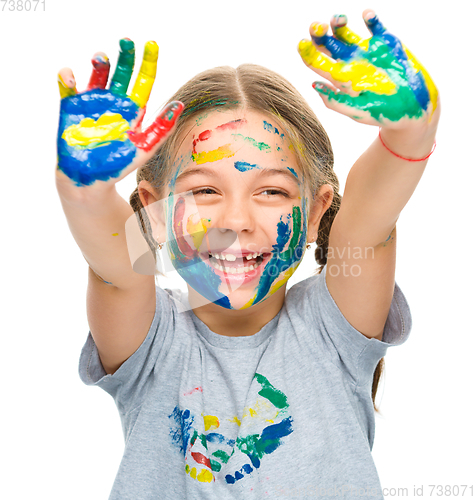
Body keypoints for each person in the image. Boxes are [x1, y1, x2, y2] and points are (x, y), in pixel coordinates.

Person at [56, 9, 439, 499]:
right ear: (153, 212)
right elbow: (116, 270)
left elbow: (369, 226)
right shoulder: (151, 341)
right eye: (205, 192)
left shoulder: (333, 326)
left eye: (272, 193)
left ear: (318, 212)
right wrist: (85, 193)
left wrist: (412, 133)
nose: (235, 221)